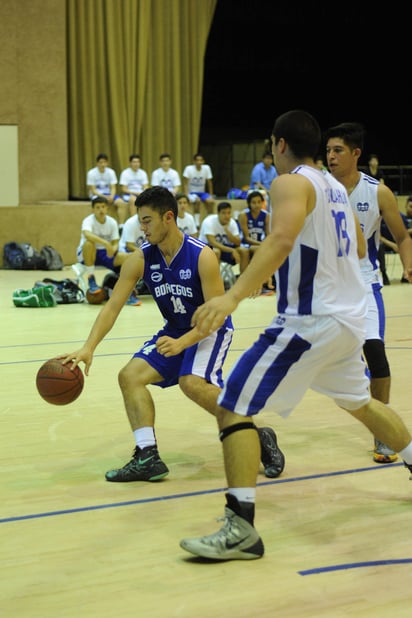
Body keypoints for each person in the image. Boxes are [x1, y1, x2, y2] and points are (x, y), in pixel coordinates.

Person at [178, 109, 412, 562]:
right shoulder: (338, 189)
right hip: (349, 318)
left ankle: (240, 527)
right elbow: (362, 249)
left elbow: (282, 239)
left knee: (231, 406)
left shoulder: (290, 182)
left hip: (310, 321)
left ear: (279, 145)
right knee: (360, 402)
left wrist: (233, 297)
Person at [63, 187, 283, 484]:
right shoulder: (140, 258)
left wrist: (183, 343)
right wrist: (89, 347)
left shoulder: (202, 256)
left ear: (168, 217)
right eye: (140, 221)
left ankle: (257, 436)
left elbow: (216, 315)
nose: (142, 228)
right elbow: (112, 307)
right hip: (175, 330)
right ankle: (147, 456)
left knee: (191, 383)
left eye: (147, 220)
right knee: (130, 376)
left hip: (210, 330)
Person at [325, 121, 412, 462]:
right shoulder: (317, 190)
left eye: (338, 150)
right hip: (326, 285)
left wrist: (407, 264)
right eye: (328, 150)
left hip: (363, 281)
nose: (330, 156)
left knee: (376, 354)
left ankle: (384, 432)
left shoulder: (378, 192)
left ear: (356, 154)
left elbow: (402, 237)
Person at [72, 196, 141, 306]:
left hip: (105, 253)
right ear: (93, 209)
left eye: (103, 207)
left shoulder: (112, 222)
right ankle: (91, 279)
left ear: (107, 208)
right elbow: (87, 234)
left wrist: (113, 249)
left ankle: (127, 291)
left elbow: (116, 241)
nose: (101, 210)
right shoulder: (88, 220)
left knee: (128, 257)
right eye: (98, 207)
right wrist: (105, 243)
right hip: (88, 254)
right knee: (89, 244)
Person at [237, 190, 275, 293]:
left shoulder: (266, 215)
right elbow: (246, 237)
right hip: (245, 243)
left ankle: (265, 282)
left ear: (262, 202)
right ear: (249, 203)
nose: (257, 205)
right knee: (257, 250)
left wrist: (267, 243)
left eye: (259, 202)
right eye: (254, 202)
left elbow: (268, 235)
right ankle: (245, 284)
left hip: (259, 244)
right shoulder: (243, 215)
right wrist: (263, 244)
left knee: (270, 251)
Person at [199, 201, 250, 275]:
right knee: (216, 251)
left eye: (229, 213)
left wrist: (227, 231)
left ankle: (242, 280)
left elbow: (238, 242)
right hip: (206, 247)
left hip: (224, 247)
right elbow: (212, 242)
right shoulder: (209, 221)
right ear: (218, 213)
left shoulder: (232, 222)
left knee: (244, 251)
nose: (227, 216)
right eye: (224, 213)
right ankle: (214, 280)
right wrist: (231, 250)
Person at [86, 153, 128, 230]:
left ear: (107, 163)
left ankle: (121, 226)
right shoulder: (91, 173)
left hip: (108, 194)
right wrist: (104, 197)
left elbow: (113, 187)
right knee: (101, 204)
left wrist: (112, 196)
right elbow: (93, 190)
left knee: (121, 203)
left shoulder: (111, 172)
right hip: (97, 194)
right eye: (101, 162)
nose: (103, 164)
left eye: (104, 162)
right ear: (97, 163)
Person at [182, 153, 215, 226]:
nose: (199, 162)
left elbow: (209, 183)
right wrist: (186, 195)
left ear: (203, 161)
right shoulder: (189, 169)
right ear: (194, 161)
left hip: (202, 192)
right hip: (192, 192)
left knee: (210, 201)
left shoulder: (207, 168)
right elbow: (185, 183)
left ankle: (210, 220)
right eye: (197, 160)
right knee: (197, 201)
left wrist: (211, 195)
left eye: (201, 160)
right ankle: (197, 222)